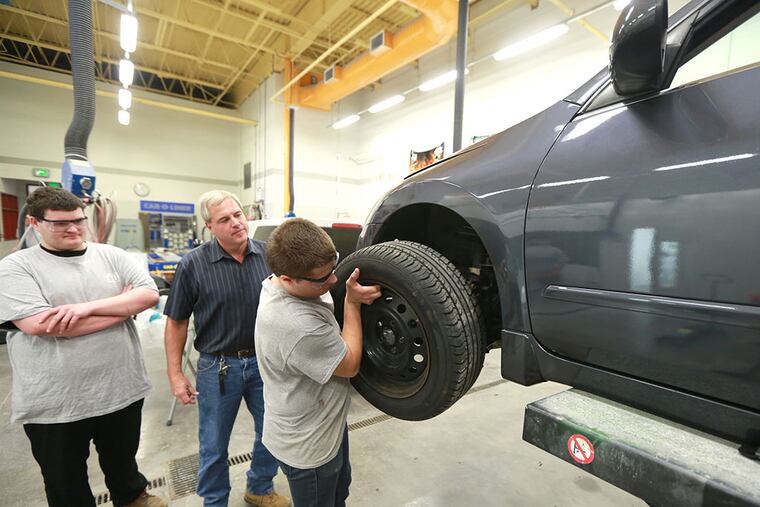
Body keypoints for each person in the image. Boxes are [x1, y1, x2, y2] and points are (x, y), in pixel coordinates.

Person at [0, 187, 165, 507]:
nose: (74, 228)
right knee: (65, 483)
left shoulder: (112, 255)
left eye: (79, 220)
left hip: (121, 390)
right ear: (34, 222)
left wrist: (84, 310)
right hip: (56, 403)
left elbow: (148, 296)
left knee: (124, 466)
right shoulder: (16, 267)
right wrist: (122, 308)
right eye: (61, 224)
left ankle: (132, 498)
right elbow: (40, 325)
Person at [163, 190, 289, 507]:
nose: (235, 223)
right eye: (224, 219)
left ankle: (259, 487)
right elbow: (176, 322)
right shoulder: (193, 264)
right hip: (218, 367)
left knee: (272, 432)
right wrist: (176, 374)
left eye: (238, 214)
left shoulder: (269, 256)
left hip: (265, 363)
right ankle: (215, 501)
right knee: (214, 443)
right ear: (209, 226)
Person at [255, 218, 382, 507]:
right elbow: (349, 364)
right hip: (309, 447)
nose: (334, 280)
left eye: (334, 267)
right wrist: (351, 303)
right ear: (287, 278)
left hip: (326, 426)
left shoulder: (281, 282)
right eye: (321, 279)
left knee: (338, 496)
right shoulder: (294, 323)